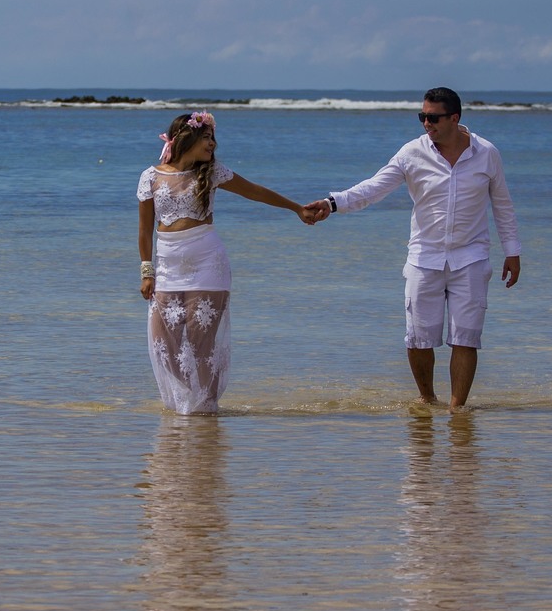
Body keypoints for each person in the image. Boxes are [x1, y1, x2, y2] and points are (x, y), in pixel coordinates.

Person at [308, 87, 521, 412]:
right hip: (424, 258)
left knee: (466, 337)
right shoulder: (412, 153)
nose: (426, 123)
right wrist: (332, 203)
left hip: (472, 258)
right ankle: (427, 399)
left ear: (454, 118)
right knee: (419, 338)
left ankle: (456, 410)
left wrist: (512, 251)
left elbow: (502, 204)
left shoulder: (487, 153)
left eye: (433, 118)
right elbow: (374, 188)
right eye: (422, 116)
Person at [137, 111, 325, 415]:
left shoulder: (211, 173)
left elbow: (255, 191)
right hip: (168, 269)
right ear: (187, 138)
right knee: (165, 346)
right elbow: (145, 230)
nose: (213, 143)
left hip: (207, 265)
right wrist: (147, 271)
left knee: (201, 347)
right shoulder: (150, 177)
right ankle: (186, 406)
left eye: (213, 137)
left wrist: (295, 208)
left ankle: (205, 411)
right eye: (207, 137)